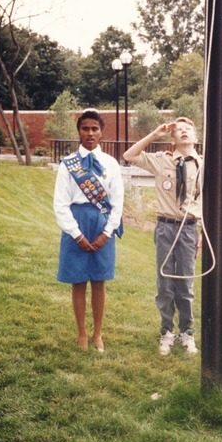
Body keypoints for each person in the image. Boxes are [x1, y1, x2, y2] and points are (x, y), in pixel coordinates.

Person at [123, 118, 202, 356]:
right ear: (173, 138)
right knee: (165, 284)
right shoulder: (162, 160)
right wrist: (155, 134)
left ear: (196, 138)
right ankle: (167, 331)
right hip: (165, 227)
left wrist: (203, 234)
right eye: (179, 130)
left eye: (189, 129)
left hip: (189, 229)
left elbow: (208, 201)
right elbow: (129, 155)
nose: (184, 132)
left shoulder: (204, 165)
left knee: (185, 285)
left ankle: (187, 332)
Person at [53, 109, 124, 352]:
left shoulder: (111, 164)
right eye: (85, 129)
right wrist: (77, 234)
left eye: (95, 129)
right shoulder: (68, 164)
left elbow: (117, 202)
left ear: (101, 132)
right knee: (78, 281)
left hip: (102, 224)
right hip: (77, 223)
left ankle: (97, 334)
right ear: (79, 132)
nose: (90, 133)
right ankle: (82, 333)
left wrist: (107, 233)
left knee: (99, 281)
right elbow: (60, 204)